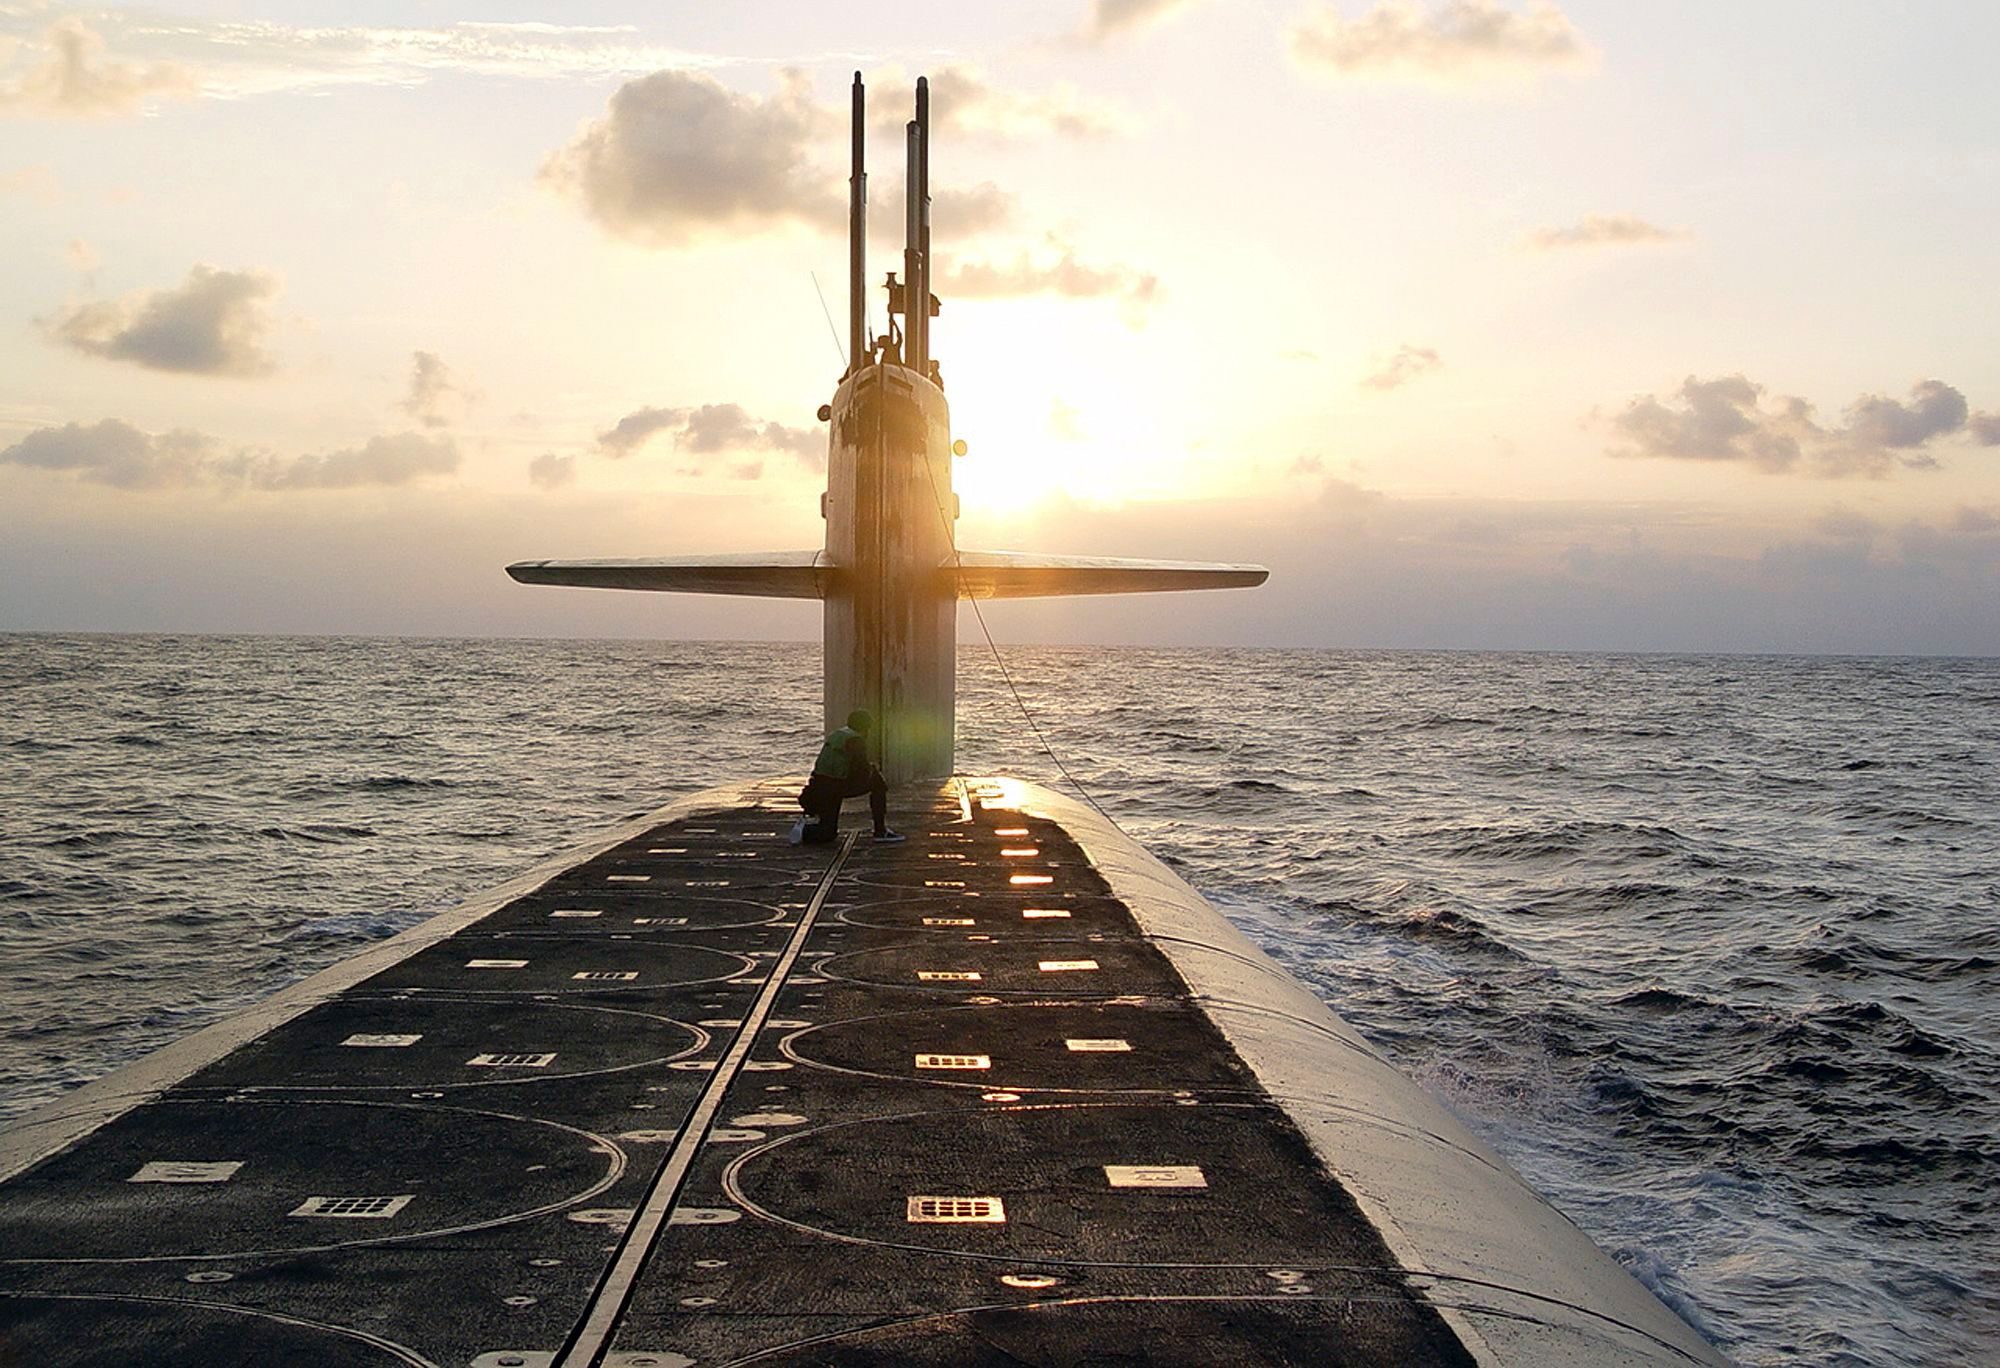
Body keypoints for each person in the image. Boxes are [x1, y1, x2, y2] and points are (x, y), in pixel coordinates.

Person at [792, 710, 904, 845]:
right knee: (878, 784)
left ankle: (803, 831)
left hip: (819, 785)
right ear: (865, 727)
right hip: (836, 787)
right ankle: (880, 831)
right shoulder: (856, 740)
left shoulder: (837, 734)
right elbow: (861, 769)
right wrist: (872, 769)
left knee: (828, 833)